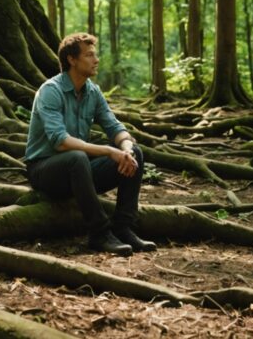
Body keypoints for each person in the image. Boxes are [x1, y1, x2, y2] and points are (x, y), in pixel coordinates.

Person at [25, 32, 156, 256]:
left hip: (78, 172)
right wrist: (108, 151)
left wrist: (125, 148)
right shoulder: (51, 91)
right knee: (76, 157)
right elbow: (60, 141)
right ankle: (99, 233)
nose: (96, 60)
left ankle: (123, 228)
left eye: (96, 55)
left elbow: (115, 127)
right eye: (89, 55)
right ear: (72, 60)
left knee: (135, 152)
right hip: (45, 171)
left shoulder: (92, 91)